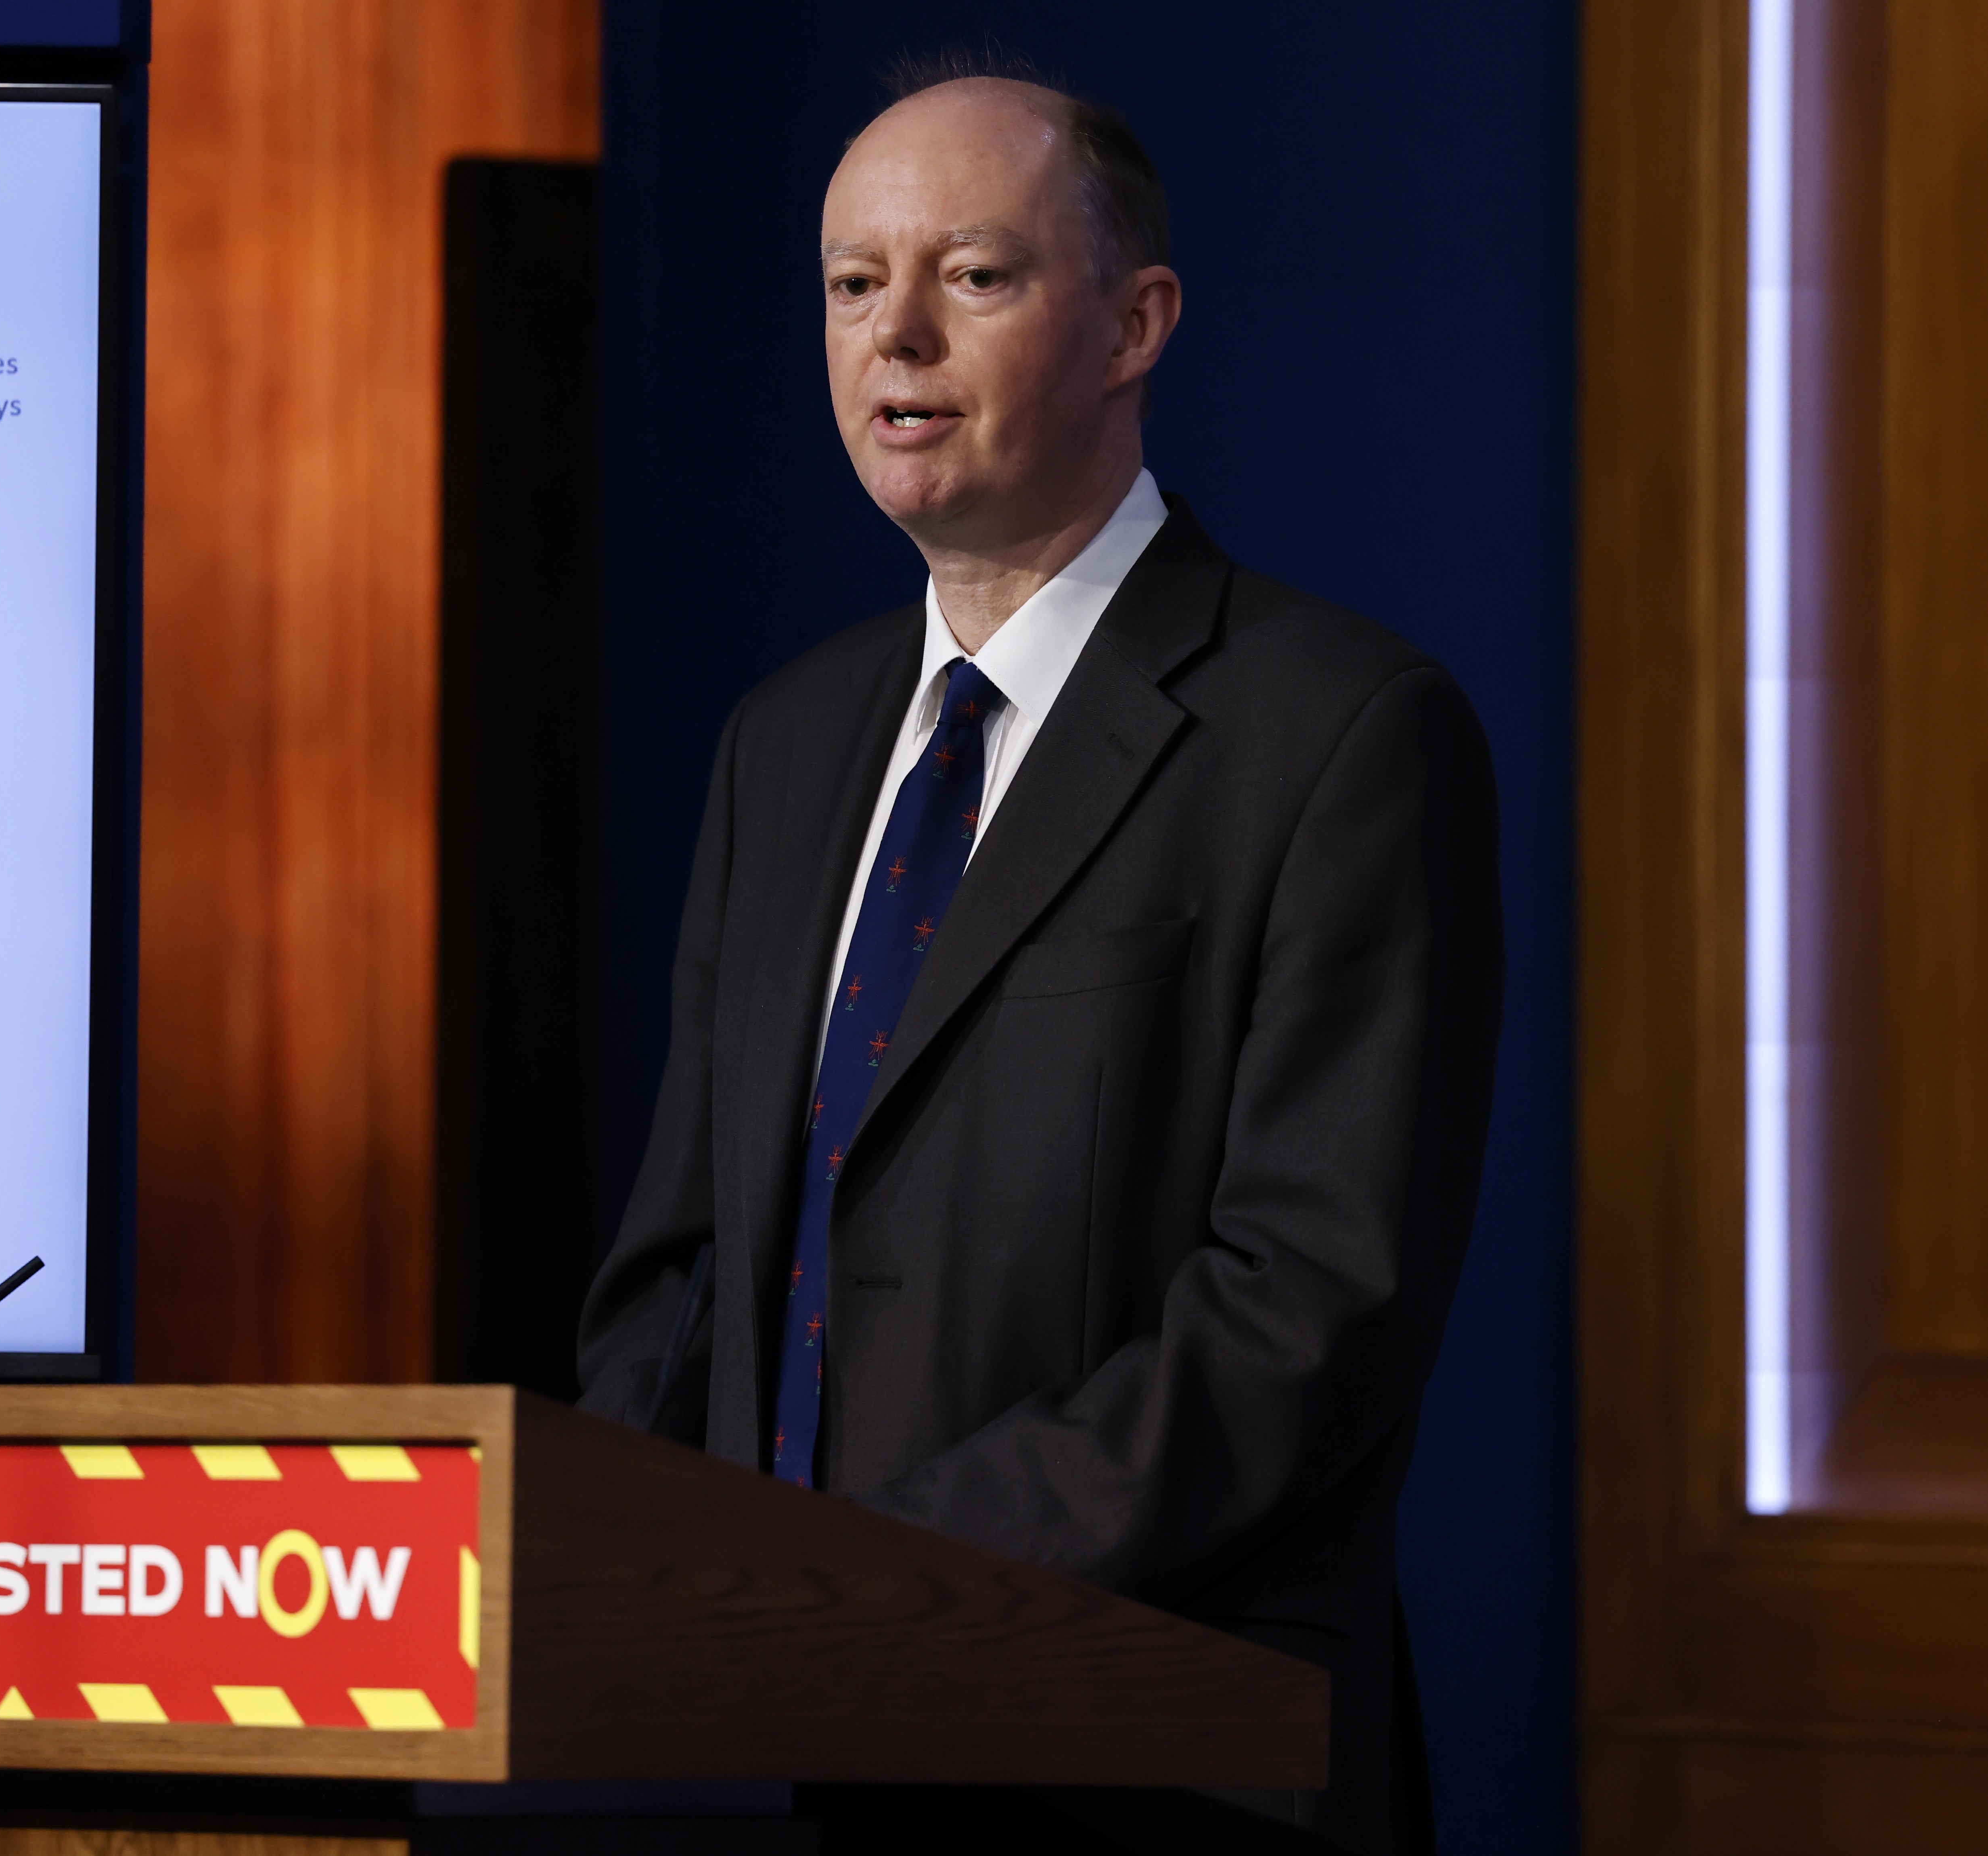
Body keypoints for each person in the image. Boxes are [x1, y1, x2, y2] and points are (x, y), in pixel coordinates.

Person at [576, 57, 1503, 1856]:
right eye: (851, 285)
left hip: (1152, 1762)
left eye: (972, 275)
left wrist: (870, 1586)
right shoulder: (784, 741)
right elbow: (678, 1270)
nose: (894, 337)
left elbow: (1307, 1313)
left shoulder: (1339, 731)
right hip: (768, 1766)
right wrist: (632, 1572)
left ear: (1133, 323)